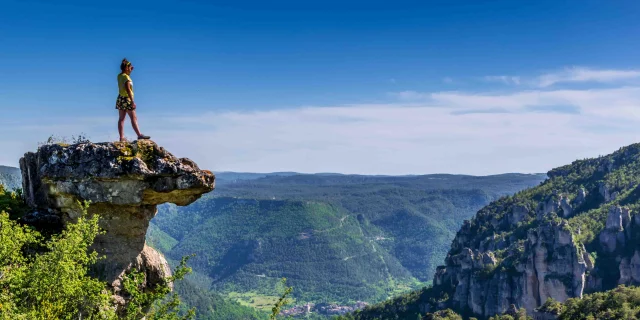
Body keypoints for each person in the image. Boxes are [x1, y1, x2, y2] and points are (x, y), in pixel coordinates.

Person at [116, 58, 150, 142]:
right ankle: (139, 135)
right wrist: (132, 101)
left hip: (120, 98)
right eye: (130, 67)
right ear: (126, 68)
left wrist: (129, 69)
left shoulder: (120, 76)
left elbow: (124, 77)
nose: (132, 68)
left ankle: (121, 137)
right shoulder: (126, 78)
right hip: (127, 98)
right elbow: (127, 89)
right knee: (133, 117)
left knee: (121, 118)